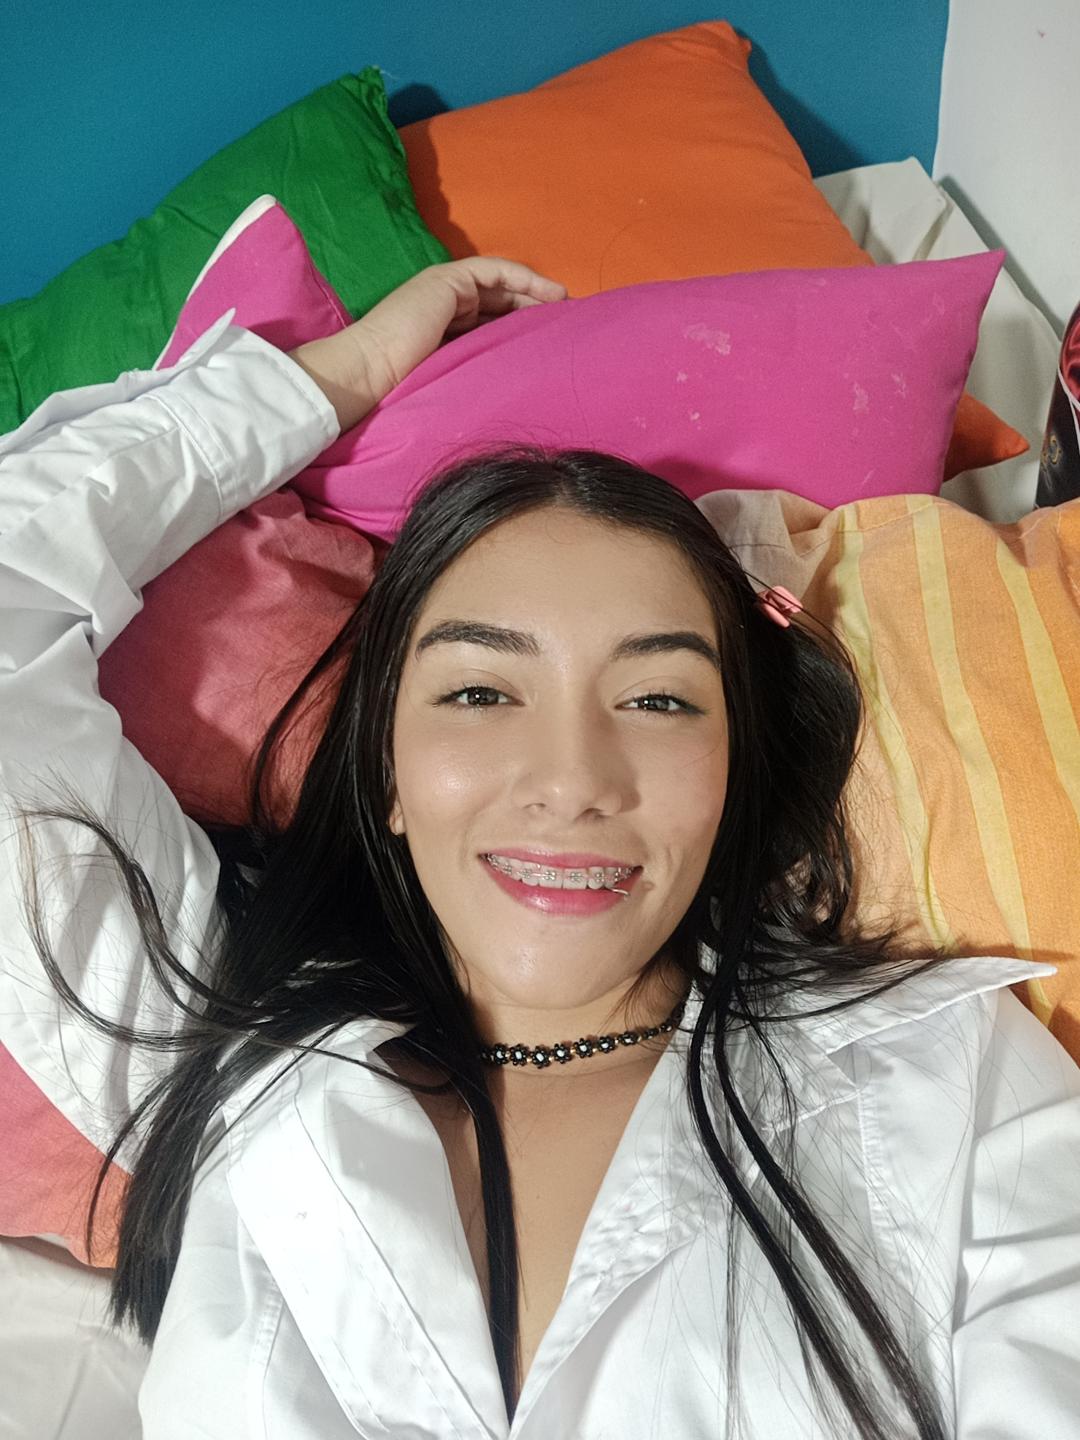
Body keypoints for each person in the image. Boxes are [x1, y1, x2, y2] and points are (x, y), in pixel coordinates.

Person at [1, 257, 1078, 1440]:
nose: (570, 781)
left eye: (658, 700)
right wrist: (341, 376)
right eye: (479, 693)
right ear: (388, 773)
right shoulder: (215, 1061)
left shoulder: (952, 1081)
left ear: (734, 771)